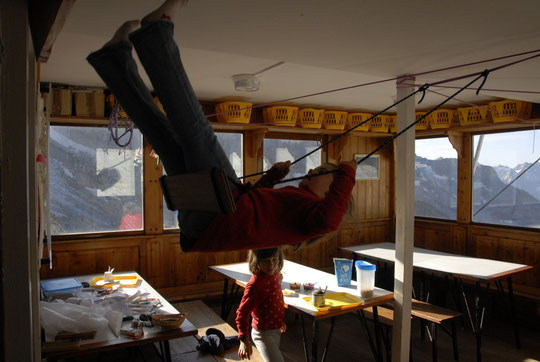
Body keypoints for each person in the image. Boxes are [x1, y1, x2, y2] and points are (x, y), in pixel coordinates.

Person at [87, 0, 357, 253]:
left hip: (220, 213)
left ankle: (156, 34)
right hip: (207, 220)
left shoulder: (316, 216)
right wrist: (271, 179)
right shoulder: (298, 203)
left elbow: (330, 221)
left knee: (197, 131)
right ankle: (114, 60)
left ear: (332, 193)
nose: (312, 168)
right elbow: (257, 206)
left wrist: (346, 173)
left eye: (322, 171)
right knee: (161, 132)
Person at [236, 248, 286, 361]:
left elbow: (277, 299)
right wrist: (243, 339)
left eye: (274, 260)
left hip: (276, 329)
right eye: (266, 261)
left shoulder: (275, 275)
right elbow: (242, 313)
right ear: (256, 261)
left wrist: (281, 320)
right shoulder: (255, 285)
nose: (271, 265)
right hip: (263, 334)